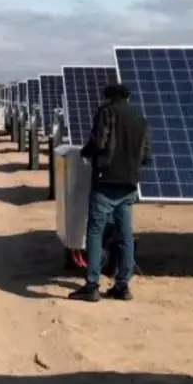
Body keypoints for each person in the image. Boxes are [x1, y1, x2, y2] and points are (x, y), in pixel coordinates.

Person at [68, 83, 151, 302]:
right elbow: (146, 156)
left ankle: (92, 285)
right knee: (125, 235)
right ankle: (122, 285)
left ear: (109, 97)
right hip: (129, 184)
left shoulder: (106, 113)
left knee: (95, 231)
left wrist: (84, 153)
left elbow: (99, 143)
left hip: (106, 181)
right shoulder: (140, 120)